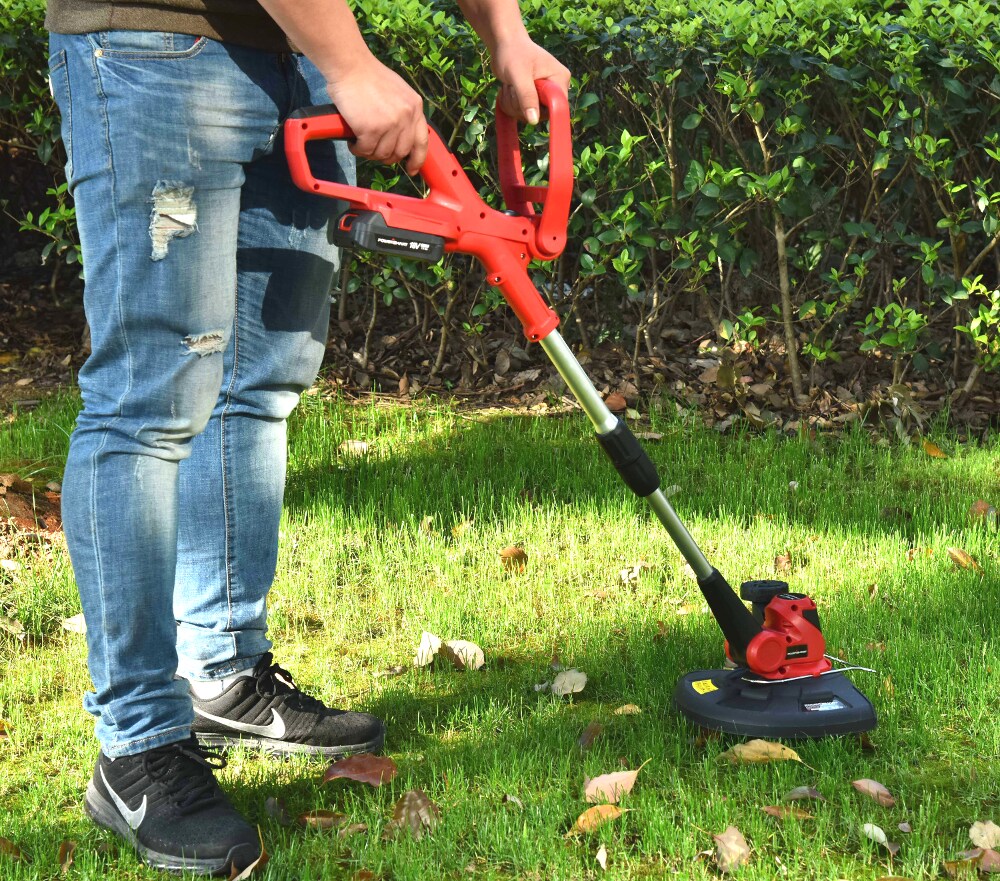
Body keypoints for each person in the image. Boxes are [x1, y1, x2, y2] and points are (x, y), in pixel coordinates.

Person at [44, 0, 570, 873]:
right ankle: (136, 746)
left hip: (291, 50)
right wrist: (352, 62)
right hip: (152, 44)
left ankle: (223, 671)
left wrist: (503, 33)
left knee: (259, 378)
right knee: (150, 395)